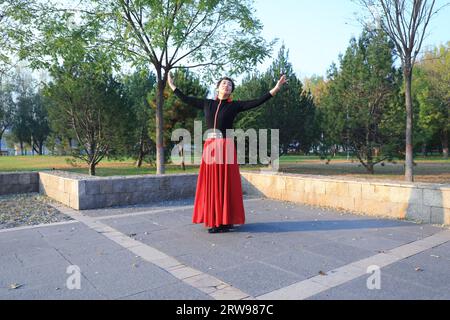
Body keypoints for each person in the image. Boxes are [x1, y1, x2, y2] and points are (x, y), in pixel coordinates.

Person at [167, 72, 287, 233]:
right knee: (213, 184)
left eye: (229, 85)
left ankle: (225, 220)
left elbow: (257, 101)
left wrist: (276, 88)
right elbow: (186, 98)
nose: (226, 85)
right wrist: (172, 85)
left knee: (226, 184)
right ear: (217, 88)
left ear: (231, 91)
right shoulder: (207, 104)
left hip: (226, 147)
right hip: (210, 147)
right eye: (224, 83)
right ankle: (217, 220)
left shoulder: (234, 106)